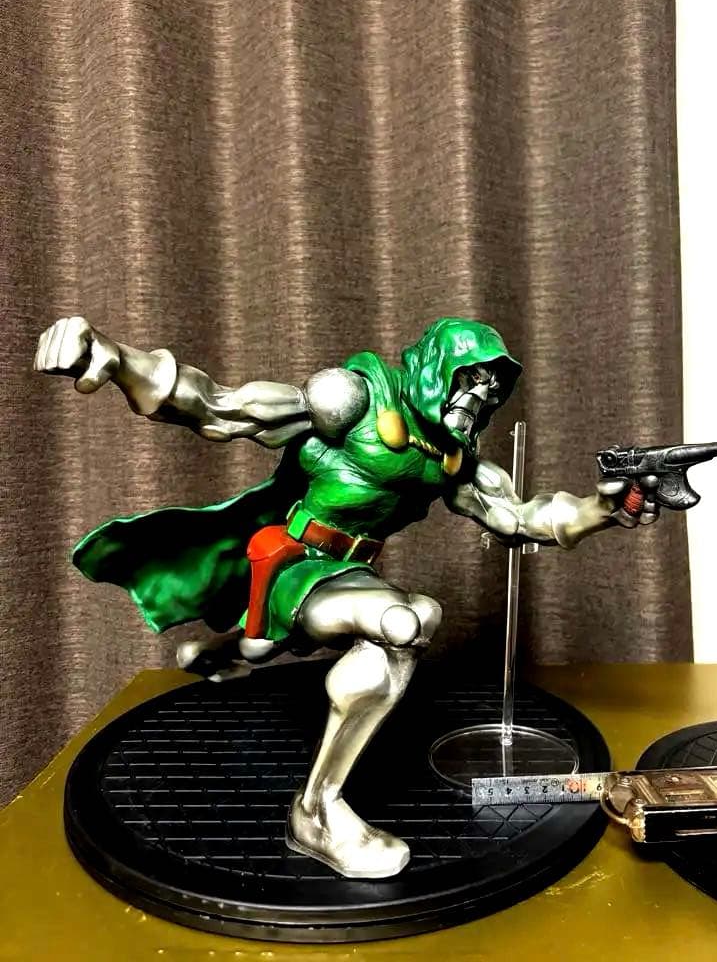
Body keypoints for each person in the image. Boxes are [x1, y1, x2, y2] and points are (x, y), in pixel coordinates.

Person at [34, 315, 657, 878]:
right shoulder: (352, 400)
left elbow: (520, 518)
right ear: (435, 368)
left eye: (494, 388)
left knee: (403, 617)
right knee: (403, 624)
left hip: (349, 575)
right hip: (294, 561)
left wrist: (607, 507)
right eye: (471, 378)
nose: (481, 397)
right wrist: (116, 358)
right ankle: (317, 812)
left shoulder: (450, 458)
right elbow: (223, 408)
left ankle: (231, 652)